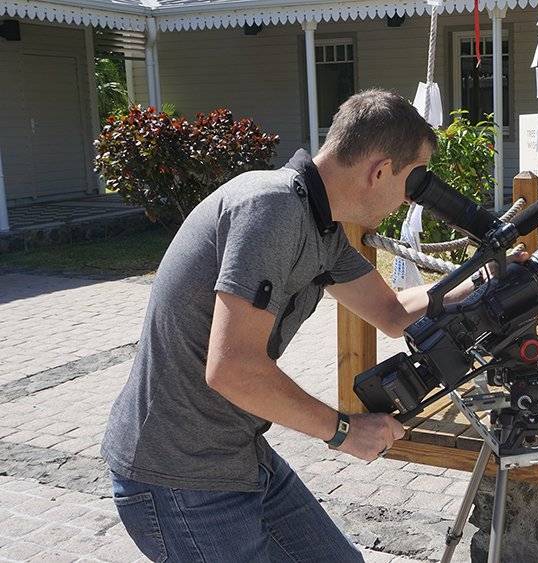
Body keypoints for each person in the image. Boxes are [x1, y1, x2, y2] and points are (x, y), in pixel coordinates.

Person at [101, 89, 490, 562]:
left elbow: (391, 313)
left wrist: (489, 280)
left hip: (235, 452)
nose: (411, 198)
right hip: (177, 473)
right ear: (380, 170)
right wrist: (344, 430)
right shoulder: (271, 210)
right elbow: (232, 369)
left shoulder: (317, 221)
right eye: (414, 180)